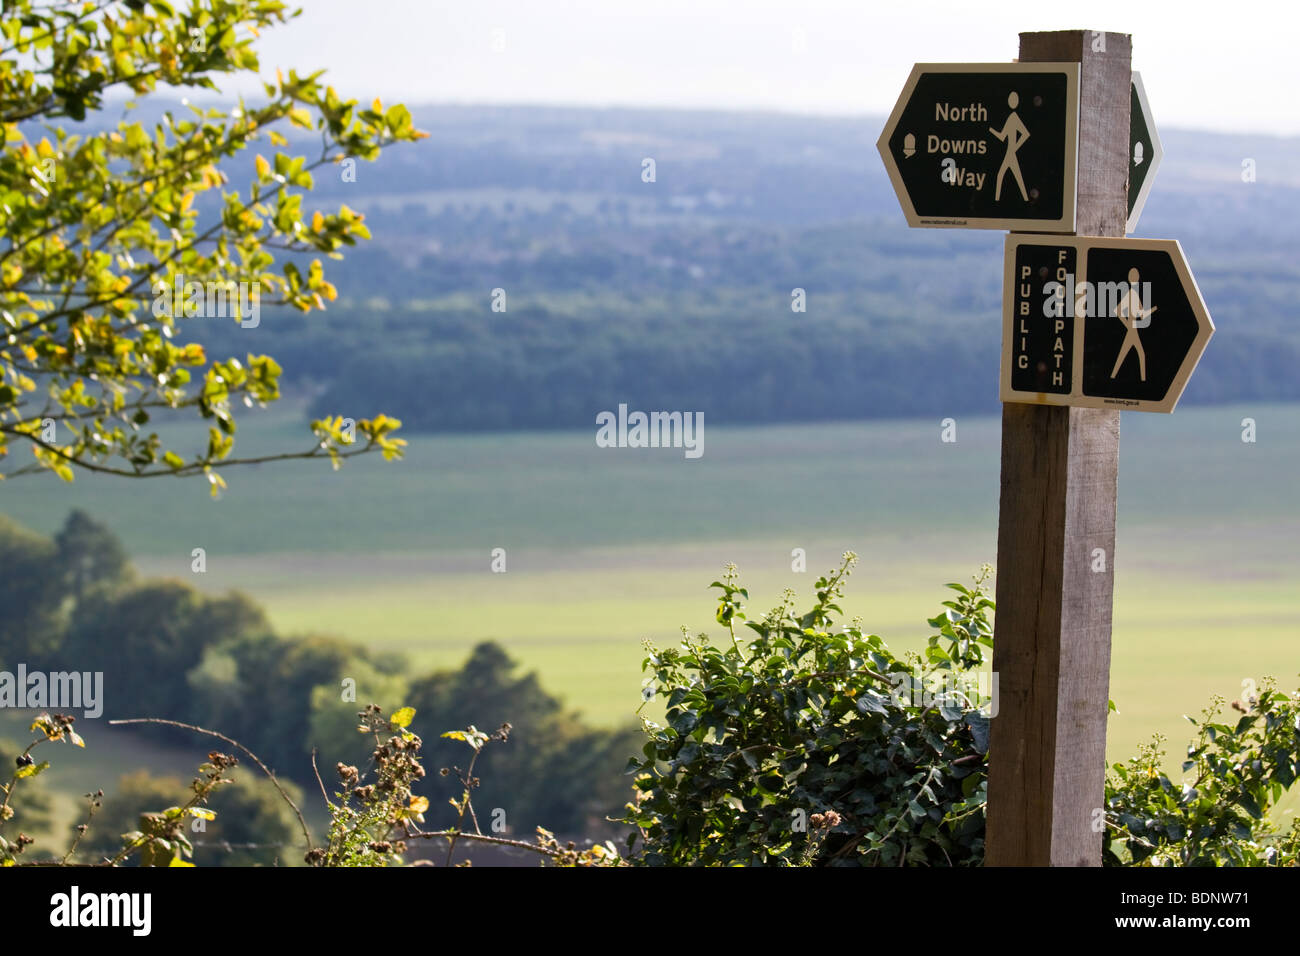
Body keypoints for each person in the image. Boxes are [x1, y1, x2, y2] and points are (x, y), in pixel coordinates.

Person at [1110, 267, 1156, 382]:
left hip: (1133, 328)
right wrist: (1127, 325)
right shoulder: (1131, 294)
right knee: (1139, 353)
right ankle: (1143, 380)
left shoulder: (1134, 294)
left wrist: (1153, 309)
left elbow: (1142, 315)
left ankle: (1114, 376)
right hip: (1132, 328)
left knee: (1129, 354)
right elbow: (1117, 310)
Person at [989, 92, 1029, 202]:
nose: (1011, 101)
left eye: (1013, 99)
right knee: (1008, 176)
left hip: (1011, 152)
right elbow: (1002, 137)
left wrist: (1016, 147)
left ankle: (997, 200)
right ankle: (1024, 198)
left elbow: (1025, 134)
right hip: (1009, 152)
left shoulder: (1014, 117)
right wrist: (992, 131)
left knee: (1003, 175)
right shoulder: (1011, 117)